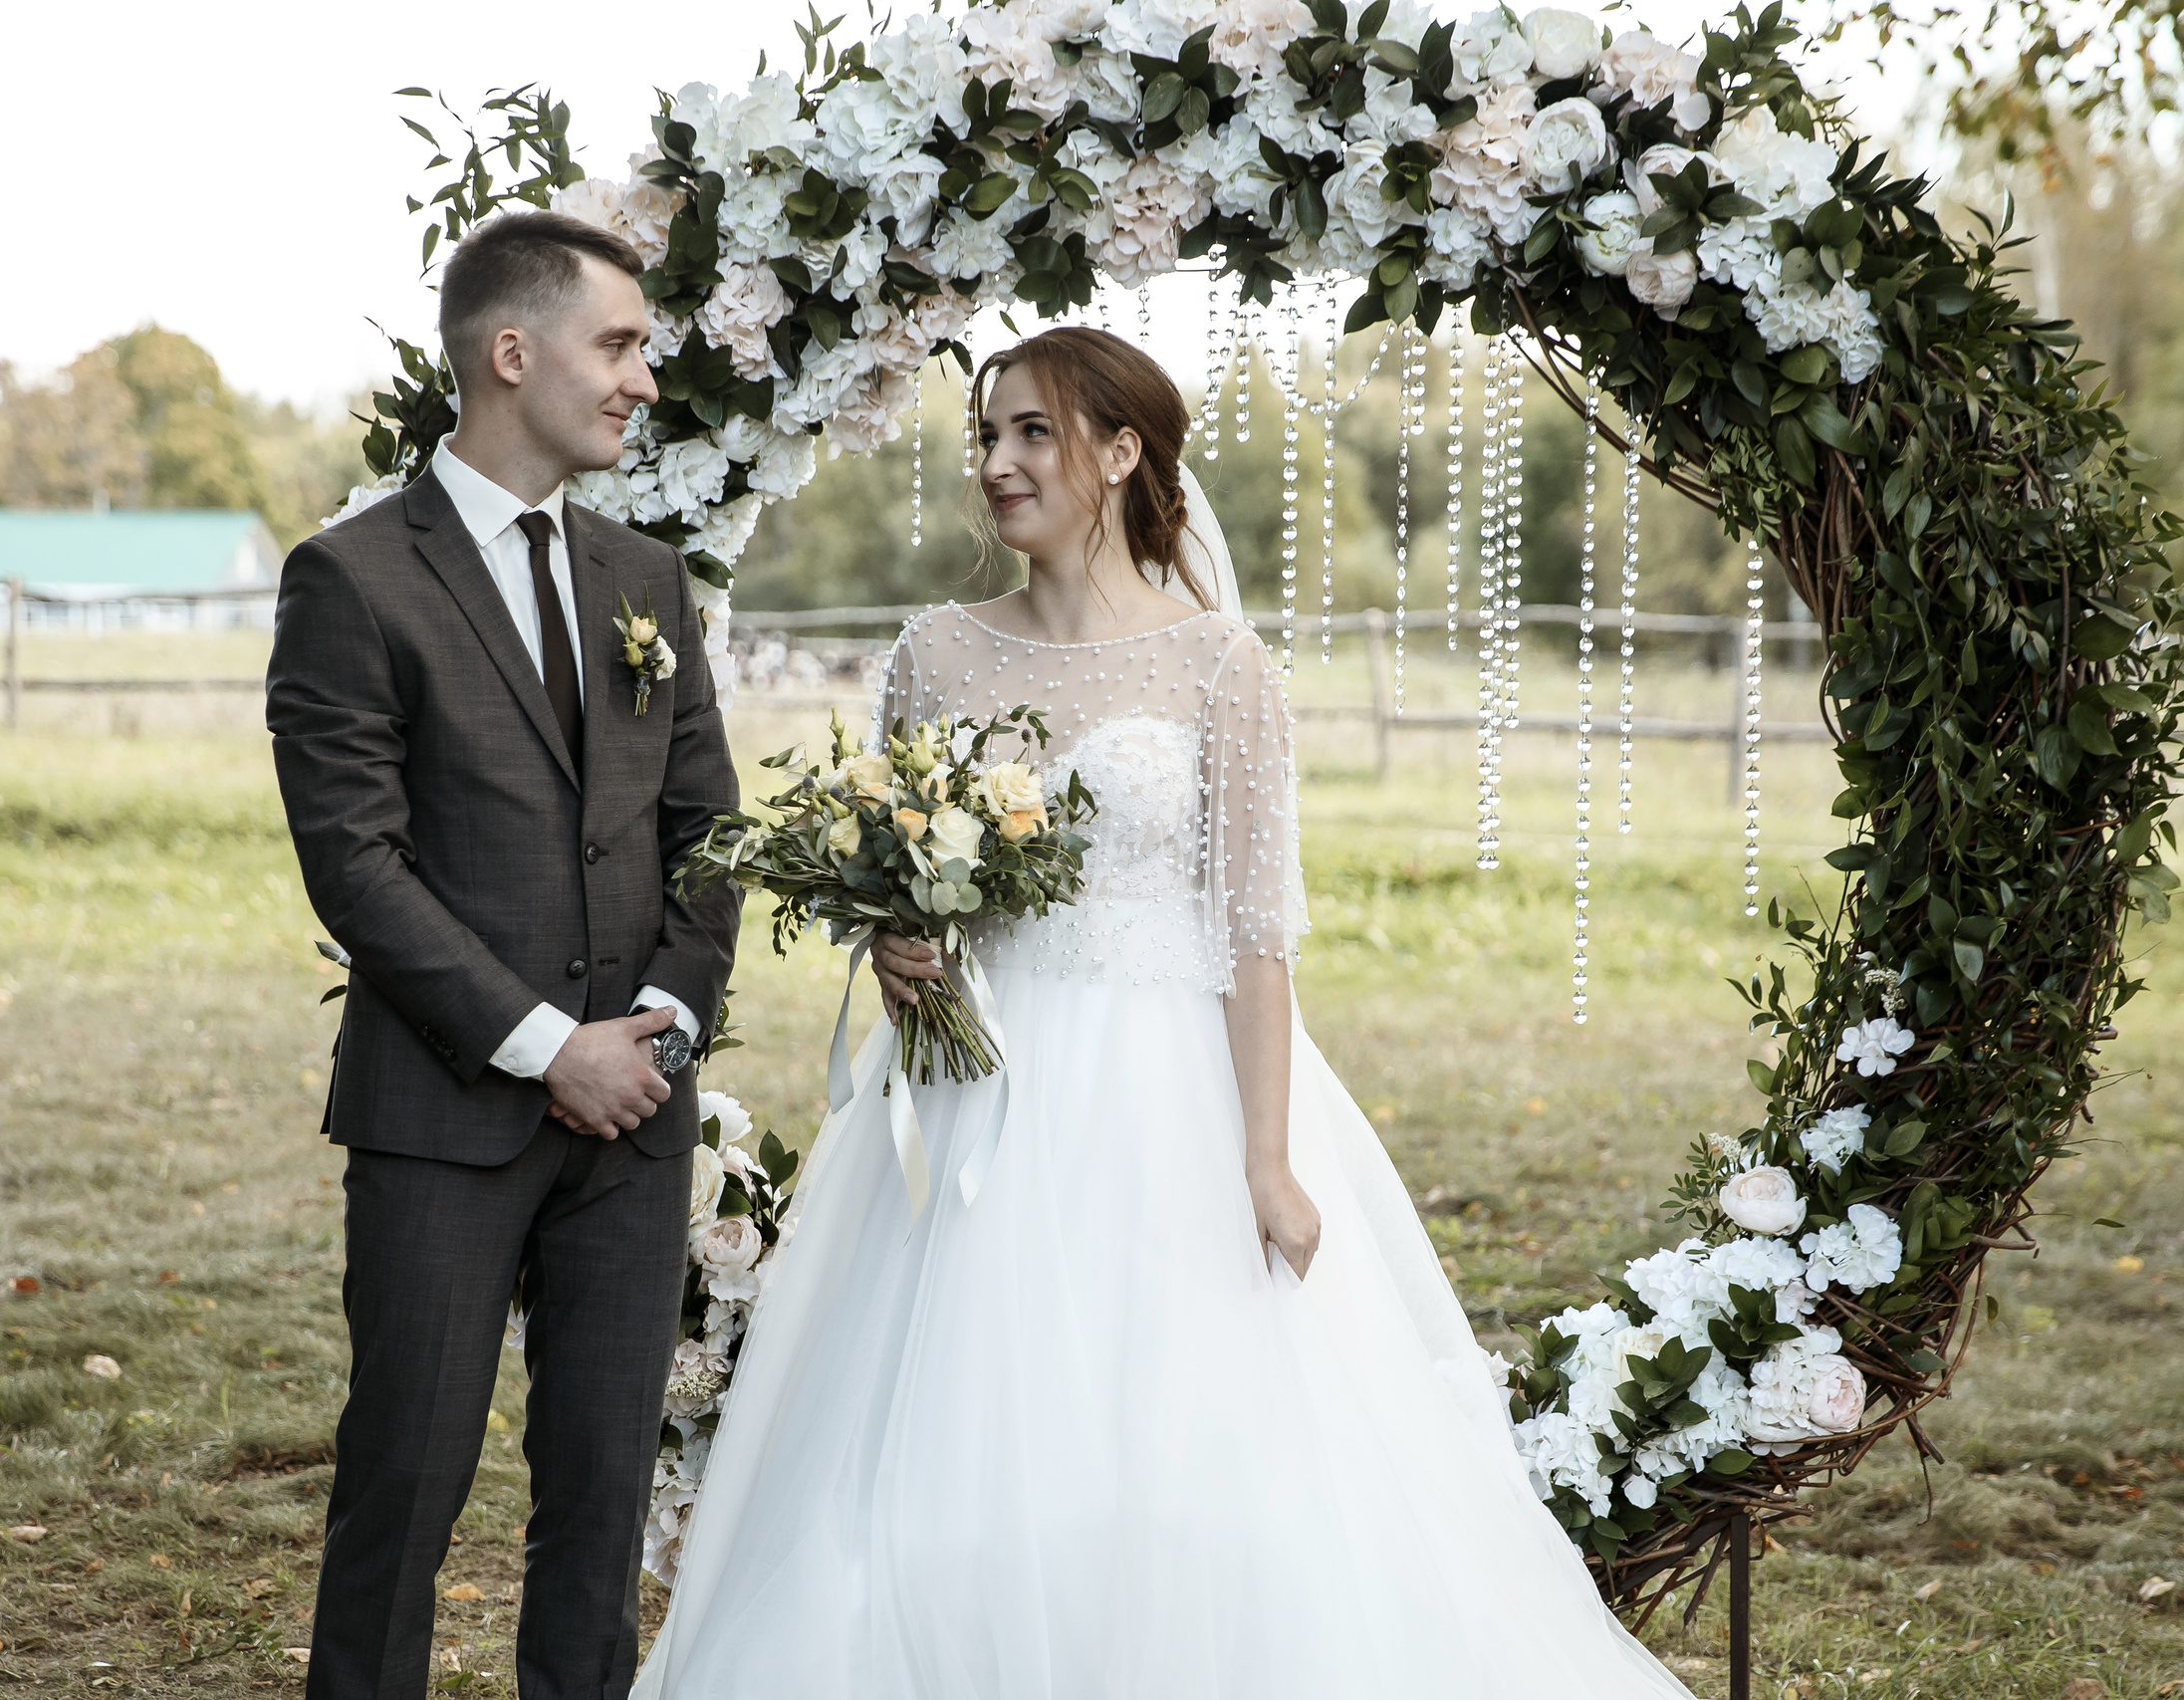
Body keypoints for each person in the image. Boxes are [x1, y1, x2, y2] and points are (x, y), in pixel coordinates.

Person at [629, 327, 1696, 1699]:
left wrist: (1266, 1160)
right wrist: (897, 939)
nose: (999, 465)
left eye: (1032, 434)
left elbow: (1255, 937)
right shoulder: (933, 655)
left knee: (1188, 1443)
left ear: (1121, 453)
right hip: (974, 1110)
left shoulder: (1219, 666)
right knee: (940, 1457)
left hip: (1168, 1095)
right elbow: (906, 881)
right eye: (988, 436)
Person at [267, 209, 743, 1700]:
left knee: (602, 1506)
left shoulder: (647, 582)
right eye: (618, 346)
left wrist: (657, 1024)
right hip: (445, 1121)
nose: (641, 383)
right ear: (511, 351)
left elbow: (708, 835)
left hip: (636, 1124)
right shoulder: (350, 581)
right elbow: (359, 865)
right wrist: (550, 1048)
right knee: (403, 1490)